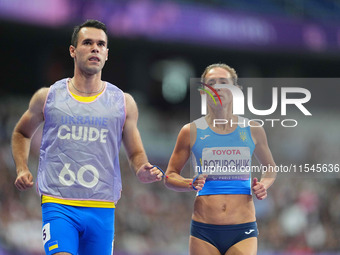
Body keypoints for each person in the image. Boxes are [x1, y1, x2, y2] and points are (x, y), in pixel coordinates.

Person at [12, 19, 163, 255]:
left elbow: (135, 153)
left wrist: (142, 168)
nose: (95, 48)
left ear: (106, 54)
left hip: (102, 208)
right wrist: (22, 167)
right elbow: (21, 132)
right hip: (59, 204)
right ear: (73, 51)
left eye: (101, 44)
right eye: (88, 42)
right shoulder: (48, 97)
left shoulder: (123, 103)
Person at [164, 63, 276, 255]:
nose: (216, 87)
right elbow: (169, 177)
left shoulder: (253, 129)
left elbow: (271, 169)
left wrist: (263, 185)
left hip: (243, 229)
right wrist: (191, 183)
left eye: (223, 82)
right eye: (211, 83)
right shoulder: (190, 131)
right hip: (204, 230)